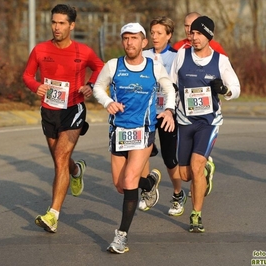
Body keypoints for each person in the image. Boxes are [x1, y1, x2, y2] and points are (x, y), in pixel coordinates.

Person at [93, 22, 175, 253]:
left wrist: (168, 110)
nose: (130, 42)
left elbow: (169, 90)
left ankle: (121, 237)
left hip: (143, 131)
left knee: (130, 180)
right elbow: (99, 87)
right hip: (118, 131)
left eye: (134, 38)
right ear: (122, 41)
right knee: (120, 186)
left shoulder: (154, 67)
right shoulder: (113, 65)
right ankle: (149, 182)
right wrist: (108, 102)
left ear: (143, 42)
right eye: (126, 38)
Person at [22, 4, 104, 233]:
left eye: (61, 23)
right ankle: (76, 170)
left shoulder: (83, 51)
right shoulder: (40, 50)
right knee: (59, 159)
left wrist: (90, 85)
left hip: (73, 109)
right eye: (54, 22)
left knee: (60, 156)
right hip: (49, 111)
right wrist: (36, 86)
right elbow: (27, 75)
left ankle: (53, 214)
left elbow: (100, 68)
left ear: (71, 25)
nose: (56, 27)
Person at [170, 16, 240, 232]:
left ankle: (196, 215)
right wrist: (169, 108)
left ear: (209, 36)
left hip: (208, 122)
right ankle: (207, 169)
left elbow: (235, 89)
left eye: (199, 34)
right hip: (184, 120)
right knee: (185, 175)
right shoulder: (182, 54)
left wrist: (224, 91)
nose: (194, 37)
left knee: (196, 165)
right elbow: (171, 83)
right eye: (192, 33)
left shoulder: (220, 60)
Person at [140, 16, 215, 216]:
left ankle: (177, 193)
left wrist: (173, 110)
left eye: (159, 33)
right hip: (146, 112)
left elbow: (181, 85)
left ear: (169, 35)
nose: (155, 37)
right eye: (152, 33)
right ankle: (148, 188)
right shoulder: (143, 54)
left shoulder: (178, 56)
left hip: (168, 113)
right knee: (141, 151)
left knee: (169, 158)